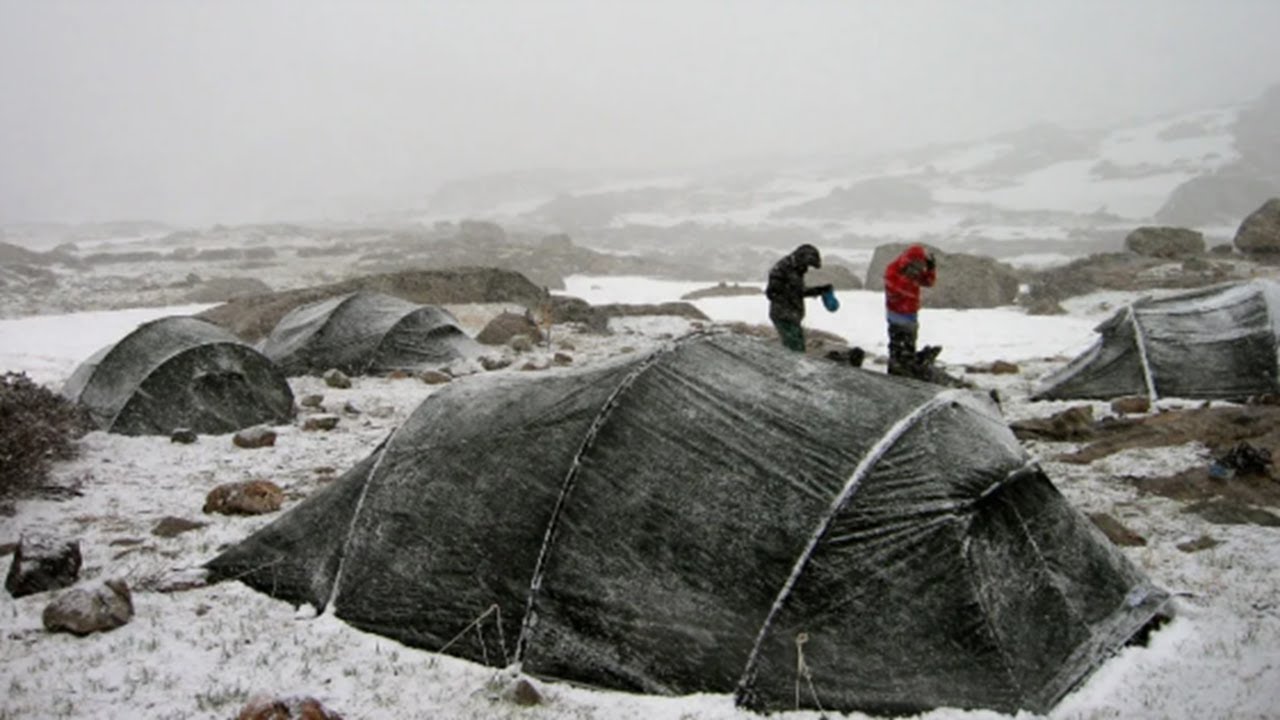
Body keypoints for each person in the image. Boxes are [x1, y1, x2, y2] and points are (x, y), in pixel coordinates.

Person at [883, 244, 938, 378]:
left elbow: (929, 283)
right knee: (898, 346)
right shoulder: (893, 269)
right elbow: (894, 293)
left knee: (909, 345)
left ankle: (906, 372)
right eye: (918, 263)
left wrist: (931, 269)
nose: (920, 267)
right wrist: (908, 278)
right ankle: (896, 373)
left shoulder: (913, 269)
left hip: (911, 313)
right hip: (897, 313)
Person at [765, 243, 832, 352]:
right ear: (802, 258)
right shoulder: (782, 269)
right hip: (783, 316)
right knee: (795, 350)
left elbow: (798, 291)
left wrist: (820, 290)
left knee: (798, 348)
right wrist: (790, 295)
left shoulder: (794, 269)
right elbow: (772, 293)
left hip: (791, 317)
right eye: (808, 264)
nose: (807, 268)